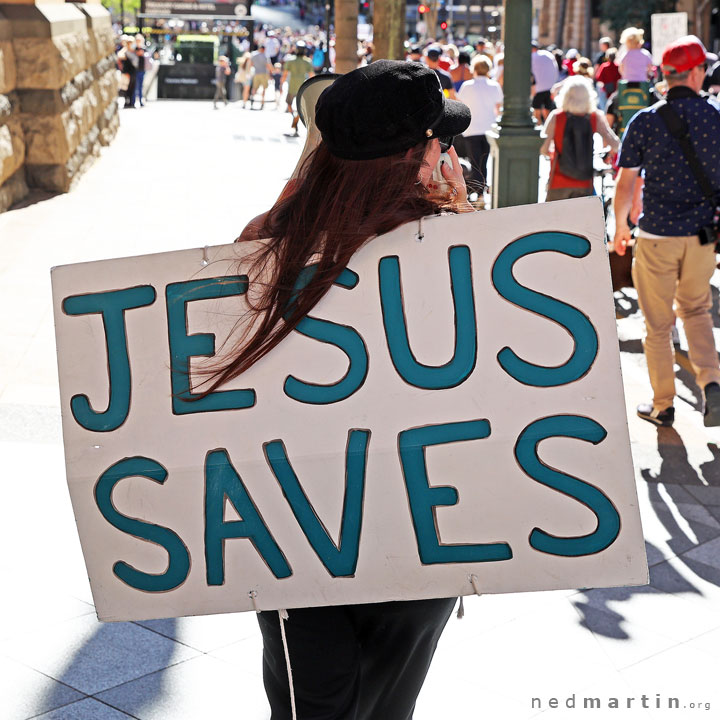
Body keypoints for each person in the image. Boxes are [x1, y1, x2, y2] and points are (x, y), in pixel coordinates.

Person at [214, 59, 474, 720]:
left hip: (298, 530)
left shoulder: (267, 245)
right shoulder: (459, 249)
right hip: (414, 530)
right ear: (417, 156)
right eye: (438, 142)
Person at [613, 36, 720, 427]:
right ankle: (711, 382)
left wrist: (620, 227)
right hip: (703, 236)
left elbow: (626, 184)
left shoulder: (645, 120)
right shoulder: (717, 117)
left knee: (657, 325)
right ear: (693, 73)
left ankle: (662, 405)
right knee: (697, 311)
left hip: (657, 236)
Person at [540, 75, 619, 202]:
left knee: (555, 221)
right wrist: (608, 153)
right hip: (584, 183)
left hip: (558, 182)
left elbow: (543, 148)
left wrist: (551, 153)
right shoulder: (594, 117)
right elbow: (615, 144)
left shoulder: (556, 117)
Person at [457, 55, 503, 198]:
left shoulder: (467, 86)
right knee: (484, 161)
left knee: (475, 161)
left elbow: (461, 104)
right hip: (488, 128)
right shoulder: (494, 86)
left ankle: (477, 190)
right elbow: (498, 106)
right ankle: (481, 190)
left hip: (472, 129)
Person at [281, 43, 314, 136]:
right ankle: (296, 118)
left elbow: (285, 74)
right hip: (302, 87)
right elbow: (312, 76)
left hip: (292, 86)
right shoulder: (307, 61)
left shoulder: (290, 60)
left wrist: (281, 84)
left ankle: (294, 118)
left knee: (289, 104)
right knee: (300, 107)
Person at [531, 42, 559, 123]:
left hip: (538, 88)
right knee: (547, 109)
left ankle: (539, 125)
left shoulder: (533, 57)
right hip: (549, 87)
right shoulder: (547, 55)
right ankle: (547, 126)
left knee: (536, 109)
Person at [250, 44, 274, 109]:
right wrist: (272, 72)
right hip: (264, 74)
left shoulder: (254, 55)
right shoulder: (265, 56)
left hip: (256, 73)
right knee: (264, 89)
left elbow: (251, 64)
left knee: (254, 88)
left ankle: (252, 100)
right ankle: (262, 103)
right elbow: (269, 65)